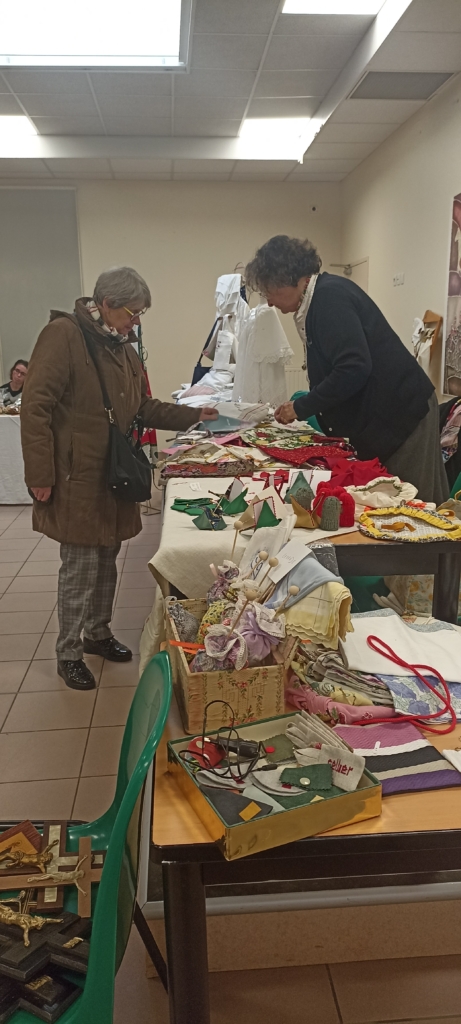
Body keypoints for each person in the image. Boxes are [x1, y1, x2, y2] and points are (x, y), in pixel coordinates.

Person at [21, 267, 218, 691]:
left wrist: (194, 415)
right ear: (107, 304)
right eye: (133, 312)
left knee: (107, 558)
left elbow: (141, 407)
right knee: (79, 565)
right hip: (76, 476)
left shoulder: (122, 346)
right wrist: (39, 474)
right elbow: (35, 408)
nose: (137, 321)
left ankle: (97, 633)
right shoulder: (63, 335)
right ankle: (68, 653)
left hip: (113, 474)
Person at [245, 235, 448, 506]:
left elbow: (353, 368)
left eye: (270, 291)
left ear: (288, 278)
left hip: (403, 414)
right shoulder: (317, 300)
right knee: (397, 502)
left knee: (412, 504)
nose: (270, 302)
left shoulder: (329, 298)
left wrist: (301, 407)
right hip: (389, 414)